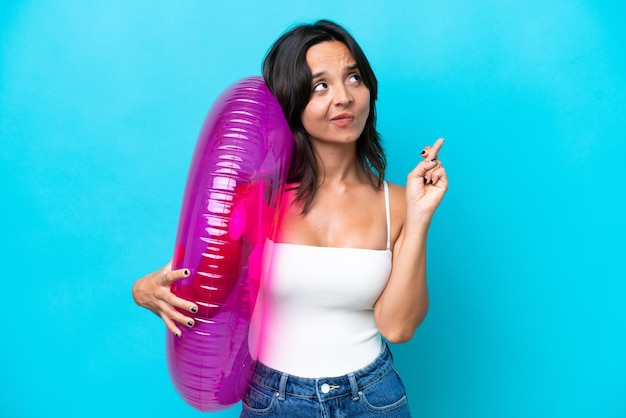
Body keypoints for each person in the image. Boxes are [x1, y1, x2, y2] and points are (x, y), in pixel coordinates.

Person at [132, 19, 447, 417]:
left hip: (372, 397)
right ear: (292, 101)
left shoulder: (398, 203)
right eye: (321, 86)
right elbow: (192, 284)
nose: (344, 98)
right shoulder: (254, 202)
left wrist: (420, 216)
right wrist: (143, 291)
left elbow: (398, 328)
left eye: (354, 78)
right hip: (273, 399)